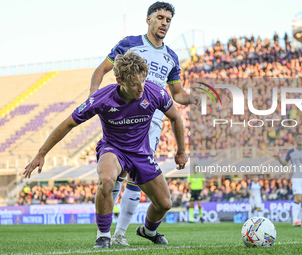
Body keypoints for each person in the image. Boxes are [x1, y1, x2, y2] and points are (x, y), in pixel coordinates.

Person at [23, 51, 188, 248]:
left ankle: (148, 231)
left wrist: (181, 151)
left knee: (165, 204)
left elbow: (176, 118)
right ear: (120, 81)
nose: (141, 88)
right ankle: (103, 235)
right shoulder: (103, 98)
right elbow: (68, 124)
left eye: (142, 81)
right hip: (113, 149)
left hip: (141, 152)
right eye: (135, 84)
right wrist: (41, 153)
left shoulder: (154, 92)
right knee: (107, 179)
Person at [90, 1, 200, 246]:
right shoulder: (130, 43)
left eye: (168, 20)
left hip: (153, 121)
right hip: (125, 115)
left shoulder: (171, 56)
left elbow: (178, 94)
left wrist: (197, 98)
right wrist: (93, 97)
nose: (164, 23)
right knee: (115, 175)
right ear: (148, 19)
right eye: (160, 17)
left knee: (134, 177)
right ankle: (106, 232)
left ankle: (119, 234)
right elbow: (101, 70)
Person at [274, 133, 302, 226]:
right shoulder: (291, 152)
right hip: (296, 177)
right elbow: (285, 164)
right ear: (295, 140)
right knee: (298, 198)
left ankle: (299, 220)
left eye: (301, 138)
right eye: (298, 138)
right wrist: (279, 159)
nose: (300, 139)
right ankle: (295, 221)